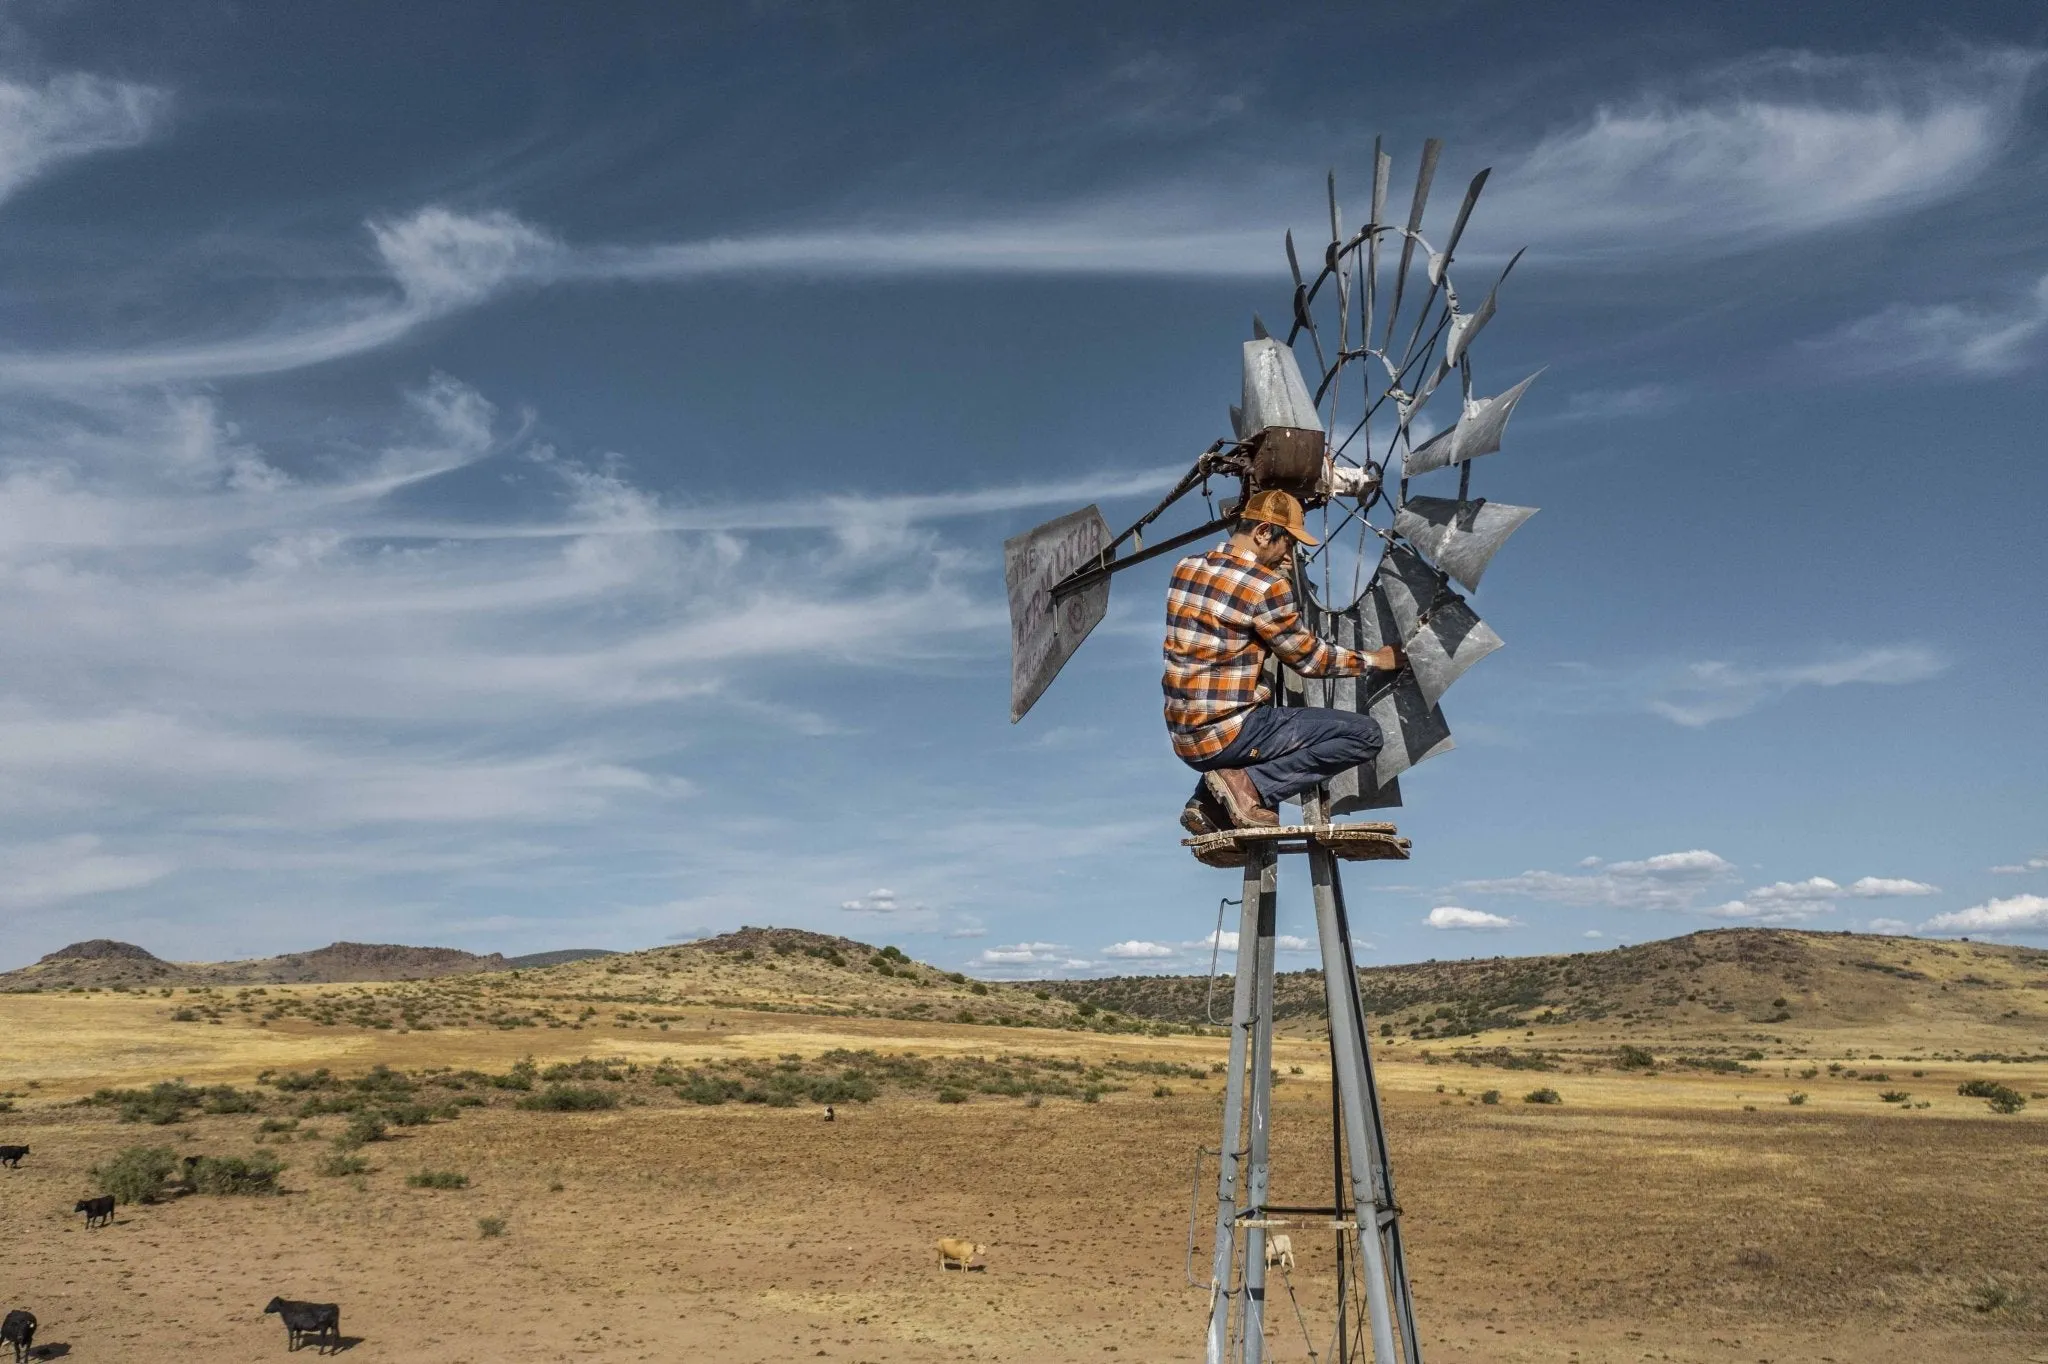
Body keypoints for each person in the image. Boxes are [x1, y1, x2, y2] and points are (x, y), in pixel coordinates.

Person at [1163, 489, 1400, 831]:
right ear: (1262, 533)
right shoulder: (1266, 586)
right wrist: (1376, 660)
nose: (1290, 555)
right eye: (1287, 543)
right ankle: (1250, 787)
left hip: (1186, 739)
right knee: (1365, 735)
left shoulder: (1186, 568)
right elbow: (1310, 660)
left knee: (1240, 709)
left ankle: (1208, 805)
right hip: (1231, 736)